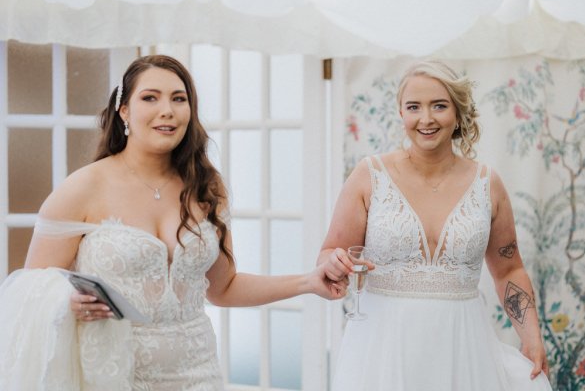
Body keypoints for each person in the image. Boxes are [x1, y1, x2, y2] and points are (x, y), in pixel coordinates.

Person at [0, 54, 345, 390]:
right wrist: (65, 302)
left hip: (197, 370)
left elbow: (224, 288)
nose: (167, 109)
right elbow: (31, 290)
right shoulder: (83, 187)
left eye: (179, 99)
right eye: (150, 97)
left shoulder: (207, 188)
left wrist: (309, 282)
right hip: (117, 372)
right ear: (124, 111)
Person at [319, 60, 553, 390]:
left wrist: (531, 337)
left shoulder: (487, 183)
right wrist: (333, 263)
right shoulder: (368, 176)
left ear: (457, 113)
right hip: (383, 348)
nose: (426, 119)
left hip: (462, 345)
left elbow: (509, 269)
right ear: (401, 113)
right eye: (414, 107)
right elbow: (330, 252)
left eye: (439, 106)